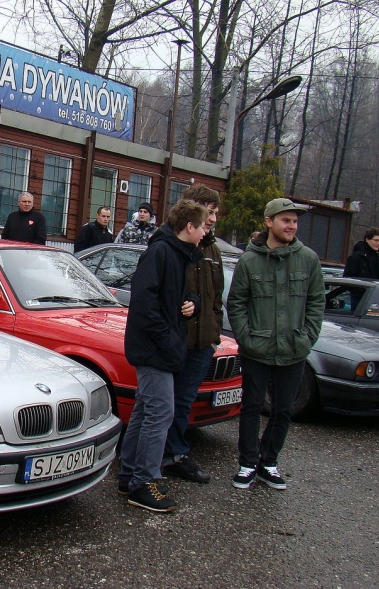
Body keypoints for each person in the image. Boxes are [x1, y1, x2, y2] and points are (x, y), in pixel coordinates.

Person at [227, 198, 324, 491]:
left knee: (283, 409)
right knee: (251, 407)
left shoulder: (308, 259)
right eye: (286, 220)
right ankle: (247, 464)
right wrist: (246, 336)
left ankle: (269, 462)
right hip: (257, 348)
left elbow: (316, 302)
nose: (292, 226)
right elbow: (237, 303)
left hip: (293, 350)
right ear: (269, 222)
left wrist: (306, 337)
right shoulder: (250, 260)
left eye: (295, 221)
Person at [118, 199, 208, 513]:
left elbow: (175, 294)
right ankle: (144, 482)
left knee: (145, 411)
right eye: (204, 226)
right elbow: (144, 305)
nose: (206, 232)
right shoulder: (159, 252)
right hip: (154, 350)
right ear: (190, 227)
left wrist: (191, 302)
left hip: (161, 347)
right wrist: (168, 340)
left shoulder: (180, 254)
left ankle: (129, 473)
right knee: (161, 414)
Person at [161, 184, 224, 484]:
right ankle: (162, 455)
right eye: (208, 212)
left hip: (202, 342)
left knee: (184, 400)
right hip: (177, 339)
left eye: (215, 213)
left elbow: (217, 297)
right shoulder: (172, 244)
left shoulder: (212, 249)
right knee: (165, 401)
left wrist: (214, 337)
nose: (212, 219)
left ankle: (174, 453)